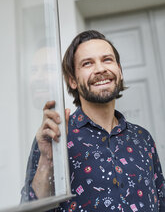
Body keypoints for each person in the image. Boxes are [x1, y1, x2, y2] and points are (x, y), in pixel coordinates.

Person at [21, 30, 165, 211]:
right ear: (72, 80)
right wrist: (47, 161)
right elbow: (29, 207)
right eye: (88, 63)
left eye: (107, 60)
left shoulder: (143, 138)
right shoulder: (55, 138)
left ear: (119, 71)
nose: (100, 69)